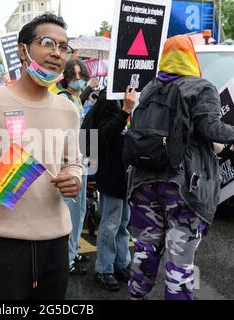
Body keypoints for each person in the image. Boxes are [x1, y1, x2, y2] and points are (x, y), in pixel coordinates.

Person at [0, 13, 83, 300]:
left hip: (56, 242)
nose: (56, 53)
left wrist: (74, 177)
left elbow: (75, 161)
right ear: (23, 50)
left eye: (63, 47)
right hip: (1, 243)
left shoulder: (69, 110)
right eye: (47, 42)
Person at [127, 35, 234, 300]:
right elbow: (212, 129)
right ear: (191, 58)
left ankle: (136, 295)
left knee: (145, 248)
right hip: (183, 186)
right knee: (180, 259)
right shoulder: (200, 87)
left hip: (143, 181)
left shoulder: (150, 88)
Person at [92, 86, 136, 292]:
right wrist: (125, 111)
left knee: (123, 223)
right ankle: (104, 269)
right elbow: (104, 135)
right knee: (110, 223)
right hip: (111, 172)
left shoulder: (133, 99)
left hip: (127, 173)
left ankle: (121, 263)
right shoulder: (108, 100)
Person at [56, 59, 92, 276]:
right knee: (70, 211)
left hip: (84, 161)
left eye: (81, 75)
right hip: (69, 164)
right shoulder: (63, 99)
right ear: (66, 77)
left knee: (80, 210)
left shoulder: (78, 99)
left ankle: (73, 250)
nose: (78, 79)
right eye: (74, 75)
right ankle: (66, 259)